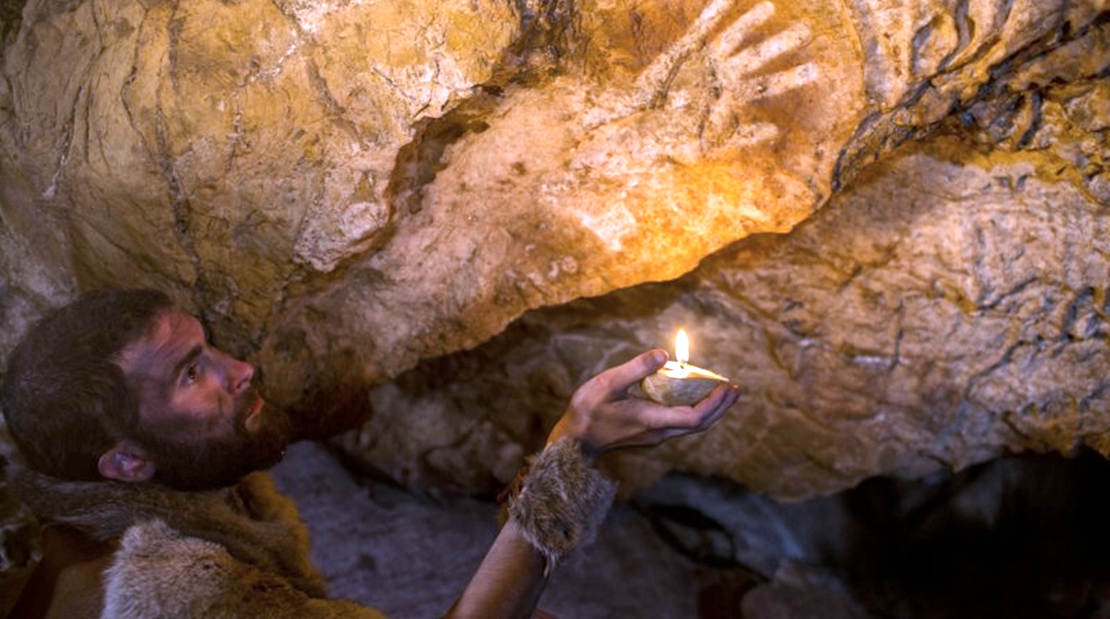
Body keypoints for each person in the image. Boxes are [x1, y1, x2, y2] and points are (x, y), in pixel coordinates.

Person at [1, 288, 739, 619]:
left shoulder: (162, 506)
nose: (240, 369)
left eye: (209, 348)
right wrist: (572, 452)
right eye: (192, 372)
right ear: (125, 462)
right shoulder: (179, 595)